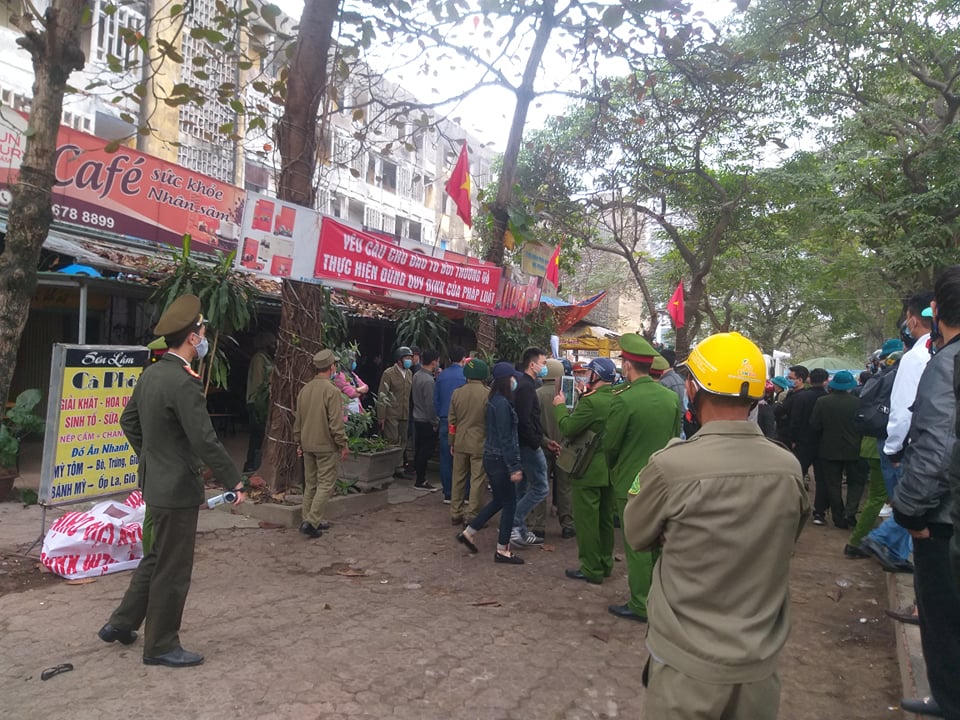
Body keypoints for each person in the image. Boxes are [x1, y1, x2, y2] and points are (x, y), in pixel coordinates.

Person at [624, 331, 808, 720]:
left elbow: (636, 535)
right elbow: (788, 538)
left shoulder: (671, 465)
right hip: (759, 671)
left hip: (686, 669)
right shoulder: (789, 469)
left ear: (693, 389)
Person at [99, 294, 246, 668]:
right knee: (173, 569)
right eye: (202, 332)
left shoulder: (152, 374)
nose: (204, 337)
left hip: (155, 485)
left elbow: (128, 421)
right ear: (193, 338)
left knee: (155, 558)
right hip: (177, 489)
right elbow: (204, 440)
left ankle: (121, 623)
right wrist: (234, 480)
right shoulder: (184, 382)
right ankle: (161, 645)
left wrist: (153, 458)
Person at [893, 267, 960, 719]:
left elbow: (936, 447)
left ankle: (949, 701)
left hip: (944, 522)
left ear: (935, 310)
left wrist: (910, 512)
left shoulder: (946, 364)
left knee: (943, 621)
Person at [605, 333, 681, 623]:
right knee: (660, 542)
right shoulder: (670, 398)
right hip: (664, 481)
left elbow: (610, 445)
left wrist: (616, 469)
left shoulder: (624, 400)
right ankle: (659, 597)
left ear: (627, 366)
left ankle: (639, 604)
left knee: (636, 544)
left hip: (630, 482)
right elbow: (674, 439)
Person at [865, 293, 935, 575]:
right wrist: (894, 449)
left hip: (908, 445)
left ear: (913, 320)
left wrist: (893, 447)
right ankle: (886, 542)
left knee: (911, 501)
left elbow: (902, 410)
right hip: (915, 447)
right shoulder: (925, 355)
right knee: (914, 502)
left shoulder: (917, 357)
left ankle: (891, 547)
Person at [553, 358, 616, 584]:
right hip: (610, 469)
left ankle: (591, 568)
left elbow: (568, 428)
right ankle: (605, 563)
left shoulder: (592, 402)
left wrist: (560, 406)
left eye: (589, 372)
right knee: (605, 520)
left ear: (596, 375)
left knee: (587, 521)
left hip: (587, 469)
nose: (586, 375)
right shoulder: (617, 397)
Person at [456, 362, 525, 564]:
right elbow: (505, 438)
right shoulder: (502, 403)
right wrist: (514, 466)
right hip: (500, 460)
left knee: (499, 500)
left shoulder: (494, 399)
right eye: (512, 377)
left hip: (491, 457)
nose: (514, 381)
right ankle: (502, 550)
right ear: (506, 380)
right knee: (510, 503)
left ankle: (469, 533)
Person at [294, 349, 350, 538]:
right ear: (332, 366)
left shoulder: (305, 390)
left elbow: (298, 421)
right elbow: (336, 424)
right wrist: (343, 444)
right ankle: (311, 522)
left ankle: (308, 519)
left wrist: (299, 442)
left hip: (307, 444)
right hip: (325, 445)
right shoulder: (332, 391)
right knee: (326, 484)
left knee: (310, 484)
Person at [511, 347, 560, 547]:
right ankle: (514, 522)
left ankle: (519, 531)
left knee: (522, 488)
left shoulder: (526, 385)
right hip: (528, 445)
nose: (545, 367)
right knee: (541, 487)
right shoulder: (526, 387)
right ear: (532, 365)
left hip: (528, 443)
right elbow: (524, 420)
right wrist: (536, 442)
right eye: (543, 363)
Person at [809, 370, 867, 528]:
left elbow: (815, 425)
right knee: (856, 483)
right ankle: (850, 513)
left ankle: (838, 516)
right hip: (854, 449)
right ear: (850, 386)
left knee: (833, 484)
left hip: (828, 449)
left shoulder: (822, 401)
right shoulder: (858, 403)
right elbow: (863, 426)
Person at [536, 359, 575, 539]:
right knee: (565, 488)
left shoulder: (536, 394)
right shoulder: (571, 394)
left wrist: (545, 441)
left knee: (541, 486)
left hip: (543, 447)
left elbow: (533, 424)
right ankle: (567, 525)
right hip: (565, 448)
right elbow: (575, 422)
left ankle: (538, 526)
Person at [448, 358, 489, 525]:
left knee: (458, 478)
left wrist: (452, 441)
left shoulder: (457, 393)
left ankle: (455, 513)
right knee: (477, 480)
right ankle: (473, 515)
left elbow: (452, 422)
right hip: (479, 443)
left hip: (460, 441)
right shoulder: (488, 394)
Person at [790, 367, 828, 522]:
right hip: (822, 443)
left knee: (797, 476)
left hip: (803, 442)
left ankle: (795, 508)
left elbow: (795, 420)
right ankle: (819, 513)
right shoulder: (828, 398)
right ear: (826, 381)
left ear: (809, 379)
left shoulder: (801, 397)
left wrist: (793, 439)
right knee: (822, 480)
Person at [434, 346, 467, 502]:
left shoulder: (442, 376)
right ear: (463, 359)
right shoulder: (466, 375)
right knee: (464, 457)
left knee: (446, 457)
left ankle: (448, 493)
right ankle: (464, 493)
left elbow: (436, 400)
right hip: (463, 422)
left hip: (445, 420)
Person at [378, 346, 414, 478]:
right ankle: (388, 468)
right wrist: (381, 416)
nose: (409, 360)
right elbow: (382, 394)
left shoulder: (409, 373)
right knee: (391, 440)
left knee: (403, 440)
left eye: (410, 358)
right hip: (391, 413)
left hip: (404, 412)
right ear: (399, 360)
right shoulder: (389, 373)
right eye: (407, 358)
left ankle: (398, 467)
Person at [244, 331, 274, 472]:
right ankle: (251, 466)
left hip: (261, 402)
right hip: (257, 403)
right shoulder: (259, 359)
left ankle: (254, 466)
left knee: (260, 437)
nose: (274, 346)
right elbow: (258, 383)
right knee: (257, 436)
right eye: (272, 343)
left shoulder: (266, 358)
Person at [411, 349, 439, 490]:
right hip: (426, 420)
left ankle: (419, 477)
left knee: (419, 449)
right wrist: (435, 422)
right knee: (425, 451)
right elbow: (430, 404)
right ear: (433, 362)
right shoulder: (428, 381)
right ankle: (421, 480)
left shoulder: (417, 375)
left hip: (417, 417)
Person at [332, 348, 369, 417]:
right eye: (353, 360)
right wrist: (360, 391)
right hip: (346, 415)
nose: (355, 362)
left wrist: (356, 389)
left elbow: (366, 387)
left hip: (357, 412)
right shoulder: (339, 376)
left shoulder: (352, 374)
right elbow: (352, 394)